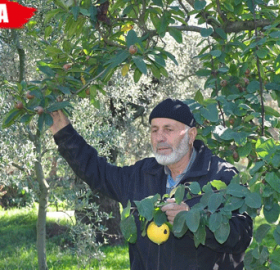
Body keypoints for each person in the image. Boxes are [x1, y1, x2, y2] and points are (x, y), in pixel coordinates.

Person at [50, 98, 253, 270]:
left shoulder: (221, 176)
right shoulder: (141, 174)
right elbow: (97, 171)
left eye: (168, 129)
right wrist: (64, 133)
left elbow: (242, 235)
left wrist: (197, 219)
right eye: (154, 130)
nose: (160, 137)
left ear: (191, 135)